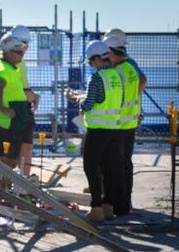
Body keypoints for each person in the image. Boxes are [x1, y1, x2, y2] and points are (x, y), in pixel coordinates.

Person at [66, 40, 125, 222]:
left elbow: (89, 103)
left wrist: (76, 100)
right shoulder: (116, 76)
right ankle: (108, 207)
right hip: (113, 128)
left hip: (97, 130)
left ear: (98, 59)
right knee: (109, 169)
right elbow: (116, 101)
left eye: (91, 62)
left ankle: (96, 208)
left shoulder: (96, 78)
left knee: (91, 167)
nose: (91, 66)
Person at [103, 35, 145, 216]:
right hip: (130, 123)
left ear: (111, 52)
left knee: (115, 165)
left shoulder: (116, 73)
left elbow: (110, 97)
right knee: (126, 164)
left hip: (118, 125)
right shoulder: (129, 68)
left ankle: (118, 206)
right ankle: (125, 203)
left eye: (106, 55)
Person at [0, 25, 39, 181]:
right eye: (23, 44)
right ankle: (4, 187)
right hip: (11, 115)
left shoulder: (15, 59)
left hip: (20, 111)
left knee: (25, 147)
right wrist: (30, 96)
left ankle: (23, 185)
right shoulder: (5, 62)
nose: (25, 48)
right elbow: (0, 88)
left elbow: (18, 86)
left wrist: (31, 95)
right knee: (9, 156)